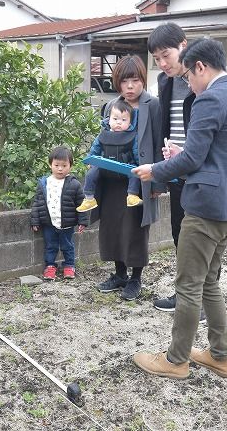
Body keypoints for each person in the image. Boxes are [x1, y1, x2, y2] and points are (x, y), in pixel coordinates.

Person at [131, 38, 227, 379]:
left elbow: (193, 158)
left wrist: (155, 170)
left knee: (188, 285)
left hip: (206, 208)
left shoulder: (210, 98)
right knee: (209, 284)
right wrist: (183, 158)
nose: (188, 83)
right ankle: (220, 355)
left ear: (201, 67)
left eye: (189, 76)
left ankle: (175, 361)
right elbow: (217, 154)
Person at [91, 55, 164, 301]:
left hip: (139, 179)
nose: (130, 87)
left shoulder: (152, 105)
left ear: (143, 80)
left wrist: (157, 180)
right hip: (111, 180)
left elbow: (156, 145)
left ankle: (135, 278)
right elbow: (102, 138)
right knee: (111, 226)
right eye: (124, 81)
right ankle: (119, 274)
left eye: (135, 80)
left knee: (135, 229)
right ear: (117, 83)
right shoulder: (111, 105)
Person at [147, 22, 194, 313]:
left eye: (166, 55)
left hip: (202, 174)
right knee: (179, 233)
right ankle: (184, 295)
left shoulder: (202, 80)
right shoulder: (164, 83)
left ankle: (198, 301)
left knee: (199, 240)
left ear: (183, 46)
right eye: (156, 59)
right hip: (176, 171)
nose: (162, 64)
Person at [30, 146, 89, 281]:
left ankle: (69, 265)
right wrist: (35, 221)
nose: (60, 168)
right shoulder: (44, 183)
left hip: (67, 224)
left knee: (68, 246)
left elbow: (81, 204)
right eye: (56, 165)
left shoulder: (74, 184)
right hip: (49, 224)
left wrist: (83, 221)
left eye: (64, 165)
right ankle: (50, 266)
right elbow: (37, 202)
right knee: (50, 246)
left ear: (70, 166)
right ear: (50, 164)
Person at [76, 99, 143, 212]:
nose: (118, 122)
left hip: (125, 166)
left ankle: (132, 195)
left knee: (134, 173)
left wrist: (139, 165)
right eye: (115, 119)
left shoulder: (133, 136)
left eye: (123, 120)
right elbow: (95, 148)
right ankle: (89, 199)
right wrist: (90, 161)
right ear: (108, 120)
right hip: (105, 166)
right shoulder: (103, 135)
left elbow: (136, 152)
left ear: (130, 122)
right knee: (91, 173)